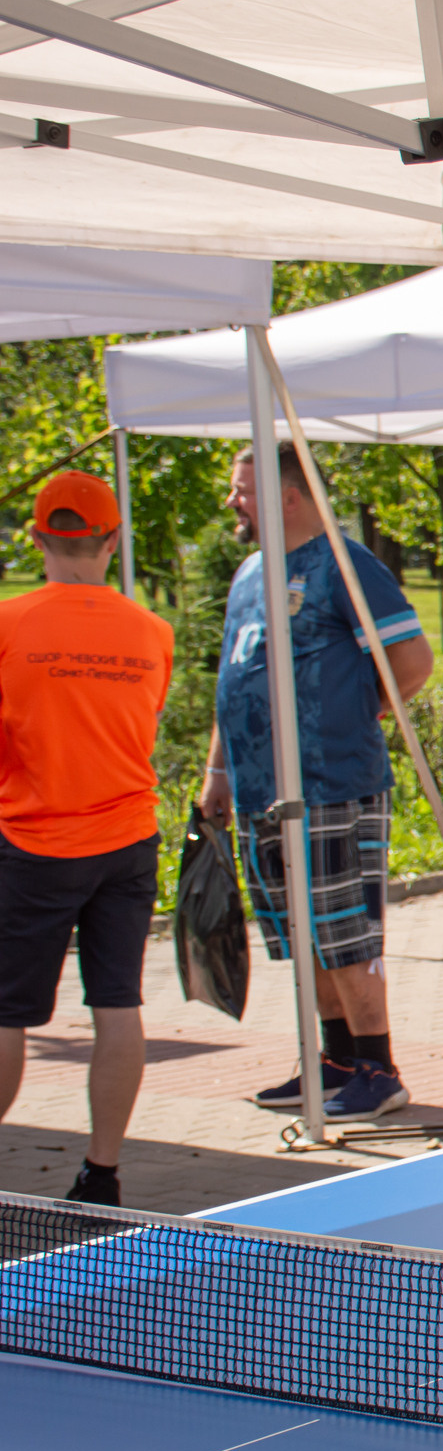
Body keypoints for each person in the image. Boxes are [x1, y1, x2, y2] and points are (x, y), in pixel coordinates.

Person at [199, 445, 432, 1118]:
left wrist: (352, 715)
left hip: (331, 786)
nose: (232, 502)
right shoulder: (250, 573)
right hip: (258, 791)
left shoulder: (344, 565)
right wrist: (218, 770)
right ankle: (334, 1063)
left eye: (243, 490)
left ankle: (378, 1068)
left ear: (287, 497)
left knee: (344, 933)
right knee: (302, 937)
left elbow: (411, 659)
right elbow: (233, 677)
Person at [0, 473, 175, 1207]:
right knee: (117, 1003)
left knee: (8, 1012)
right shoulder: (152, 633)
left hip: (32, 840)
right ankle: (101, 1173)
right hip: (127, 840)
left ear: (38, 539)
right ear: (112, 541)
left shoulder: (9, 624)